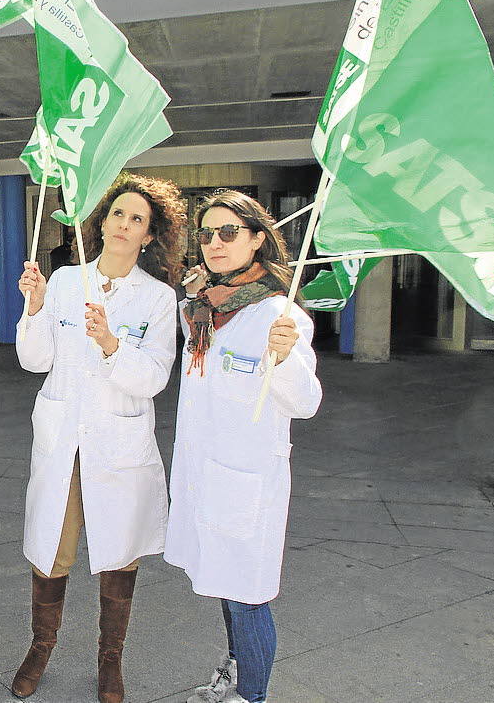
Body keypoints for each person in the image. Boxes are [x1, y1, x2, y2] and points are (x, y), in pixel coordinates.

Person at [13, 172, 186, 703]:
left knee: (119, 552)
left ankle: (110, 661)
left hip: (119, 444)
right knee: (51, 550)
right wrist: (36, 306)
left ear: (149, 236)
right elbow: (33, 359)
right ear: (102, 222)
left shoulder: (159, 299)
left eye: (137, 219)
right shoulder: (66, 281)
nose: (124, 224)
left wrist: (111, 344)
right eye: (118, 214)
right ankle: (41, 646)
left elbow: (154, 378)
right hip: (64, 439)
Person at [165, 190, 322, 703]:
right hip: (204, 469)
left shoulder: (278, 314)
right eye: (206, 234)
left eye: (229, 233)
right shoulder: (203, 307)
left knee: (248, 595)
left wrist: (288, 356)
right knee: (224, 587)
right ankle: (235, 673)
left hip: (247, 476)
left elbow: (306, 402)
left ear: (257, 239)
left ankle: (253, 696)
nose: (215, 243)